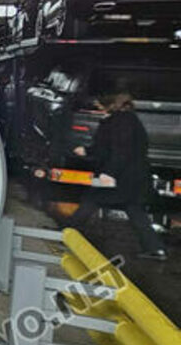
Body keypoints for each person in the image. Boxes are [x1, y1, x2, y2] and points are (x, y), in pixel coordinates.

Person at [70, 91, 168, 260]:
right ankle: (156, 249)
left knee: (91, 199)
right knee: (134, 209)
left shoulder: (120, 122)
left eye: (100, 103)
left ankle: (66, 232)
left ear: (110, 104)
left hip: (119, 175)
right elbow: (110, 147)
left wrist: (109, 173)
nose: (97, 106)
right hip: (131, 175)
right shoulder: (127, 120)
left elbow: (119, 150)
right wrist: (87, 151)